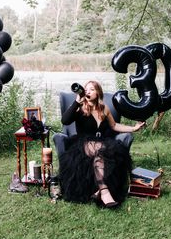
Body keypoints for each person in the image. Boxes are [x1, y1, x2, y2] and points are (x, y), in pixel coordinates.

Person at [59, 80, 145, 209]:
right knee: (103, 150)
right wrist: (77, 101)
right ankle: (105, 192)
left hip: (102, 143)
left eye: (91, 89)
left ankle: (100, 190)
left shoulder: (104, 108)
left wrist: (133, 128)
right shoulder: (80, 108)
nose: (87, 91)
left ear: (98, 92)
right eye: (86, 89)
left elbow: (114, 126)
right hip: (83, 144)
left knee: (102, 155)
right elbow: (65, 120)